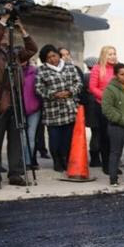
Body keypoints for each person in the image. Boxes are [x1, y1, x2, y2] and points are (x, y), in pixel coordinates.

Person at [0, 10, 37, 189]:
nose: (4, 36)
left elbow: (32, 49)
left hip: (15, 101)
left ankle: (16, 173)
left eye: (5, 34)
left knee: (17, 140)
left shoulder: (14, 52)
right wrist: (2, 22)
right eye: (1, 34)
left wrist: (21, 29)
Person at [35, 44, 83, 173]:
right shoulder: (42, 70)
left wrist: (69, 92)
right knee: (55, 138)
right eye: (48, 57)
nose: (52, 59)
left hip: (69, 108)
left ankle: (66, 159)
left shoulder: (69, 67)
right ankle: (56, 161)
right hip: (52, 110)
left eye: (54, 55)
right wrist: (53, 94)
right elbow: (39, 88)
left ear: (58, 55)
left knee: (67, 138)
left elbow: (78, 83)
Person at [89, 46, 117, 174]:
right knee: (105, 137)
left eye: (114, 54)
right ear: (104, 55)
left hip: (117, 107)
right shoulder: (97, 68)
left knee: (116, 138)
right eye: (110, 54)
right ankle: (106, 165)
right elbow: (92, 87)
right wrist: (106, 97)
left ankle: (114, 165)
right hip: (102, 106)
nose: (113, 56)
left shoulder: (118, 69)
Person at [20, 55, 41, 170]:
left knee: (31, 136)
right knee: (22, 137)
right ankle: (22, 161)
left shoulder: (35, 72)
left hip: (34, 109)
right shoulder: (12, 72)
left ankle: (28, 162)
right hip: (20, 109)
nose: (22, 61)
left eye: (23, 58)